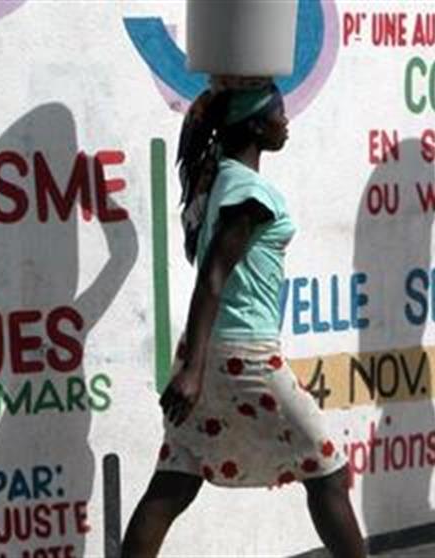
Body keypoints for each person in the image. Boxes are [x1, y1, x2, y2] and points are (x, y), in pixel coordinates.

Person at [121, 80, 367, 557]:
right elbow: (212, 277)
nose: (285, 122)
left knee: (175, 479)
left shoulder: (222, 182)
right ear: (255, 125)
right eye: (278, 112)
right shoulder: (249, 193)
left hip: (209, 350)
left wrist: (194, 364)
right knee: (329, 474)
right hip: (244, 356)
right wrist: (193, 372)